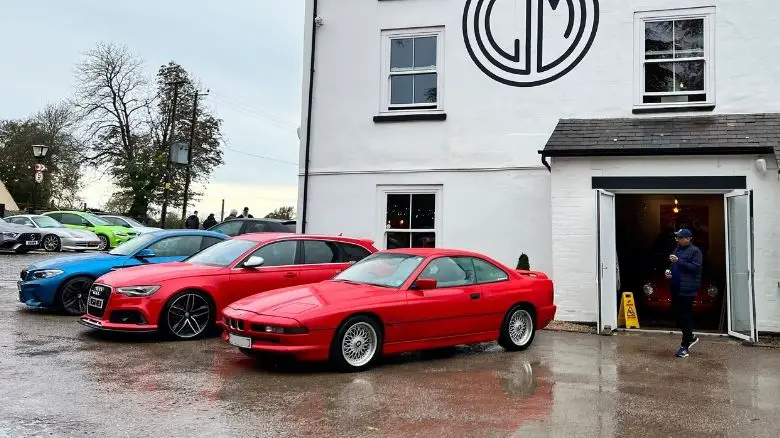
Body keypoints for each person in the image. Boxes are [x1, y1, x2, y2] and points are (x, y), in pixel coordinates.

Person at [665, 228, 702, 358]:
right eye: (677, 238)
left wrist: (678, 261)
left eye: (680, 238)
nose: (678, 240)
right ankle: (690, 336)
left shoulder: (695, 251)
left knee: (685, 316)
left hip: (687, 289)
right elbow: (674, 266)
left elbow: (696, 268)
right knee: (677, 315)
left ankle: (684, 346)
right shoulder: (677, 249)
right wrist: (669, 271)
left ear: (688, 238)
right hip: (676, 287)